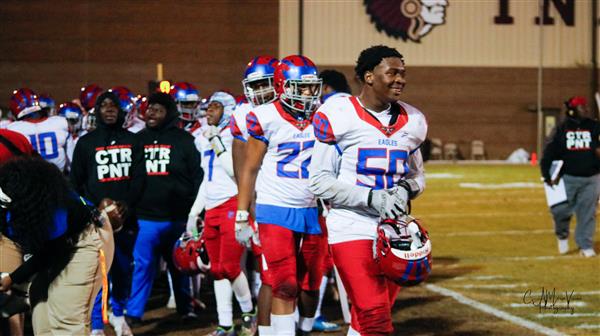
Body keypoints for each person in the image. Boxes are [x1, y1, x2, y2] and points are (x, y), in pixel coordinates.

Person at [309, 45, 427, 335]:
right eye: (392, 72)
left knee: (367, 318)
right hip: (350, 224)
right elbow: (319, 181)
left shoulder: (412, 121)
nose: (400, 79)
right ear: (369, 76)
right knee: (376, 318)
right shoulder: (338, 114)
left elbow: (418, 177)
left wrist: (404, 189)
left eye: (403, 73)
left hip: (393, 230)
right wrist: (371, 197)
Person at [236, 55, 327, 336]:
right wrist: (242, 213)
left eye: (313, 87)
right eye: (302, 87)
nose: (310, 93)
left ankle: (305, 329)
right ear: (283, 86)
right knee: (284, 282)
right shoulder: (265, 116)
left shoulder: (323, 116)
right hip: (275, 208)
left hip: (313, 207)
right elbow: (249, 169)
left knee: (311, 282)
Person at [0, 156, 115, 335]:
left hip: (84, 241)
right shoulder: (13, 202)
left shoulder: (50, 210)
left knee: (66, 318)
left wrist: (13, 279)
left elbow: (48, 252)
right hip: (56, 244)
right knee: (42, 315)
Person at [70, 90, 145, 335]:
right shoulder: (86, 143)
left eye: (114, 106)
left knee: (123, 269)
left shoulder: (133, 140)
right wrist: (90, 209)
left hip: (125, 219)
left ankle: (119, 313)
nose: (110, 109)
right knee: (97, 272)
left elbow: (139, 179)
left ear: (122, 111)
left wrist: (127, 204)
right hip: (95, 220)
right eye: (105, 105)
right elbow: (75, 184)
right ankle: (95, 324)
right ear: (98, 111)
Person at [126, 92, 203, 324]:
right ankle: (134, 312)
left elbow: (197, 177)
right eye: (150, 109)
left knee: (180, 265)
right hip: (145, 217)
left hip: (177, 217)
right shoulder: (137, 140)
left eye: (158, 109)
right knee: (142, 266)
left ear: (168, 113)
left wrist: (193, 210)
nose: (151, 113)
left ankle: (185, 307)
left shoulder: (185, 140)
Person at [187, 91, 257, 336]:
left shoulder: (235, 136)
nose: (209, 111)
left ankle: (249, 313)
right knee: (216, 269)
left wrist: (216, 140)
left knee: (229, 266)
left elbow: (233, 171)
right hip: (213, 206)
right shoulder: (205, 137)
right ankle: (225, 323)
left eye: (215, 107)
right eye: (208, 107)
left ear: (228, 110)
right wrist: (194, 211)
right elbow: (208, 178)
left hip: (232, 203)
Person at [231, 55, 279, 331]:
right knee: (270, 272)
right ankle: (264, 327)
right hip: (266, 201)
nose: (259, 91)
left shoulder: (294, 110)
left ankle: (288, 323)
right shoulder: (243, 114)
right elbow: (243, 169)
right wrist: (246, 209)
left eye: (265, 84)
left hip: (299, 199)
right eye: (255, 85)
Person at [541, 96, 600, 257]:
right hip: (566, 178)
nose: (586, 110)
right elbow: (549, 152)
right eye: (582, 107)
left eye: (586, 107)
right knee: (561, 211)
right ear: (573, 110)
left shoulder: (594, 126)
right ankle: (562, 235)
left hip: (591, 178)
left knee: (587, 213)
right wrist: (546, 174)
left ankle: (585, 245)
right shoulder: (561, 129)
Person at [0, 129, 34, 336]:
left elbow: (38, 177)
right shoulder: (14, 138)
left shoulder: (13, 139)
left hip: (9, 230)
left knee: (8, 293)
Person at [7, 88, 70, 172]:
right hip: (58, 179)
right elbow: (71, 158)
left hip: (28, 181)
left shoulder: (13, 129)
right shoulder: (59, 122)